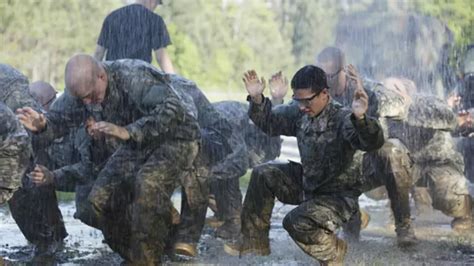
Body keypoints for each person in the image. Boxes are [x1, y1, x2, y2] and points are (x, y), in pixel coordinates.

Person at [17, 54, 199, 264]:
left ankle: (147, 259)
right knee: (96, 203)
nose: (87, 103)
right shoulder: (81, 92)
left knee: (147, 184)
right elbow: (60, 120)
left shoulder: (133, 76)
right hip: (135, 144)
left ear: (102, 76)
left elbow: (173, 111)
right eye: (82, 99)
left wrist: (128, 131)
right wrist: (44, 126)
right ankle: (140, 254)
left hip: (176, 137)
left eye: (91, 96)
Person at [224, 65, 384, 265]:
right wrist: (257, 98)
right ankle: (254, 242)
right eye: (297, 100)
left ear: (324, 94)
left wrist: (361, 118)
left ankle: (334, 252)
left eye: (306, 101)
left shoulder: (343, 118)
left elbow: (372, 142)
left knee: (294, 221)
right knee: (264, 173)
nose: (301, 106)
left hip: (338, 198)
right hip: (309, 185)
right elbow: (271, 123)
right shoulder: (301, 113)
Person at [316, 47, 416, 245]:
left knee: (393, 150)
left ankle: (403, 226)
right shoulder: (320, 95)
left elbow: (400, 105)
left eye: (330, 75)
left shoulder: (366, 88)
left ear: (343, 70)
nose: (325, 81)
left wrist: (366, 96)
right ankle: (353, 217)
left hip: (370, 164)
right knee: (351, 239)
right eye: (322, 76)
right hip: (340, 168)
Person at [0, 64, 67, 259]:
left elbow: (32, 134)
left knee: (26, 174)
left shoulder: (13, 94)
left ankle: (48, 241)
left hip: (11, 101)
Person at [94, 0, 174, 73]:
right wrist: (175, 80)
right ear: (152, 1)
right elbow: (161, 57)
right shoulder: (155, 20)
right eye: (157, 4)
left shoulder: (112, 17)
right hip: (138, 80)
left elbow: (98, 53)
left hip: (113, 77)